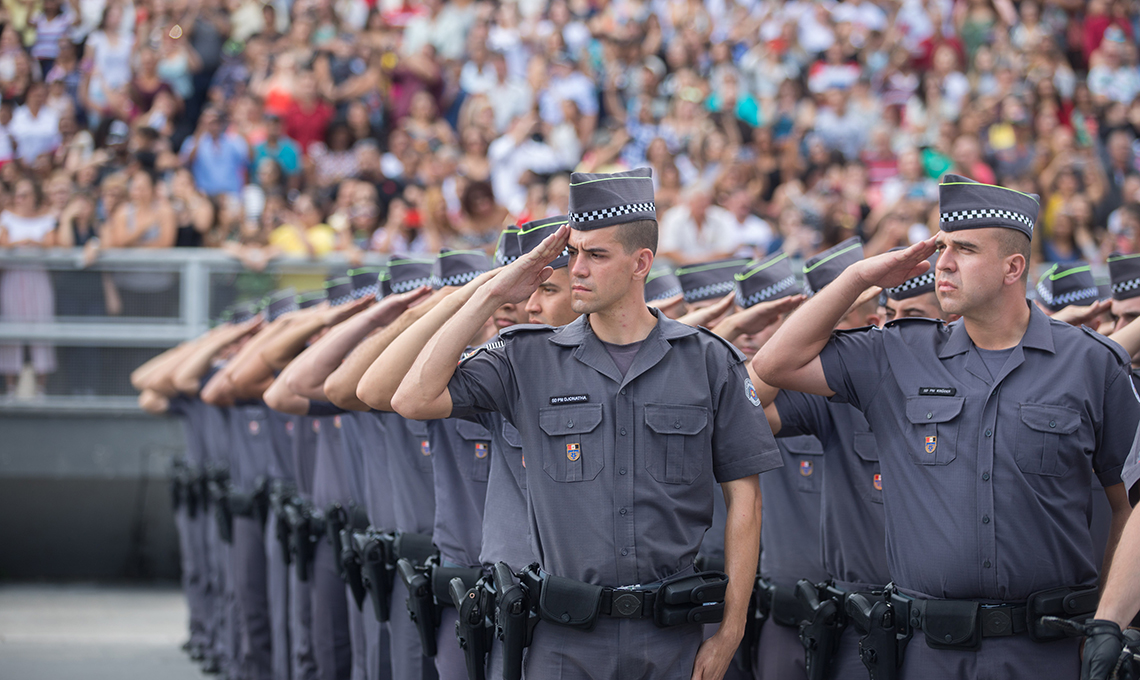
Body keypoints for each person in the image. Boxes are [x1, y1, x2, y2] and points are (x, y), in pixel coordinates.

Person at [392, 167, 779, 679]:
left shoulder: (707, 362)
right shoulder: (525, 358)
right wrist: (489, 293)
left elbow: (744, 500)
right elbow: (412, 397)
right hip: (563, 642)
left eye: (596, 255)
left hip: (672, 642)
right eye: (573, 253)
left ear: (642, 263)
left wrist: (730, 631)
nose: (577, 268)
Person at [754, 174, 1140, 679]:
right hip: (928, 654)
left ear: (1013, 266)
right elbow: (772, 365)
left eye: (965, 249)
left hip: (1048, 651)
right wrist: (859, 278)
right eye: (941, 248)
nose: (944, 263)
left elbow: (1124, 508)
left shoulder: (1090, 364)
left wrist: (1108, 624)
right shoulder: (897, 353)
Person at [0, 177, 58, 396]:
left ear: (34, 197)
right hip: (13, 280)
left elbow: (52, 243)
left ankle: (40, 387)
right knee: (10, 330)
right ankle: (11, 387)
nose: (20, 199)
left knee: (41, 329)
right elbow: (3, 242)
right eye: (17, 194)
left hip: (37, 279)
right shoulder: (7, 218)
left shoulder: (46, 218)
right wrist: (19, 244)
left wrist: (34, 244)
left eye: (25, 194)